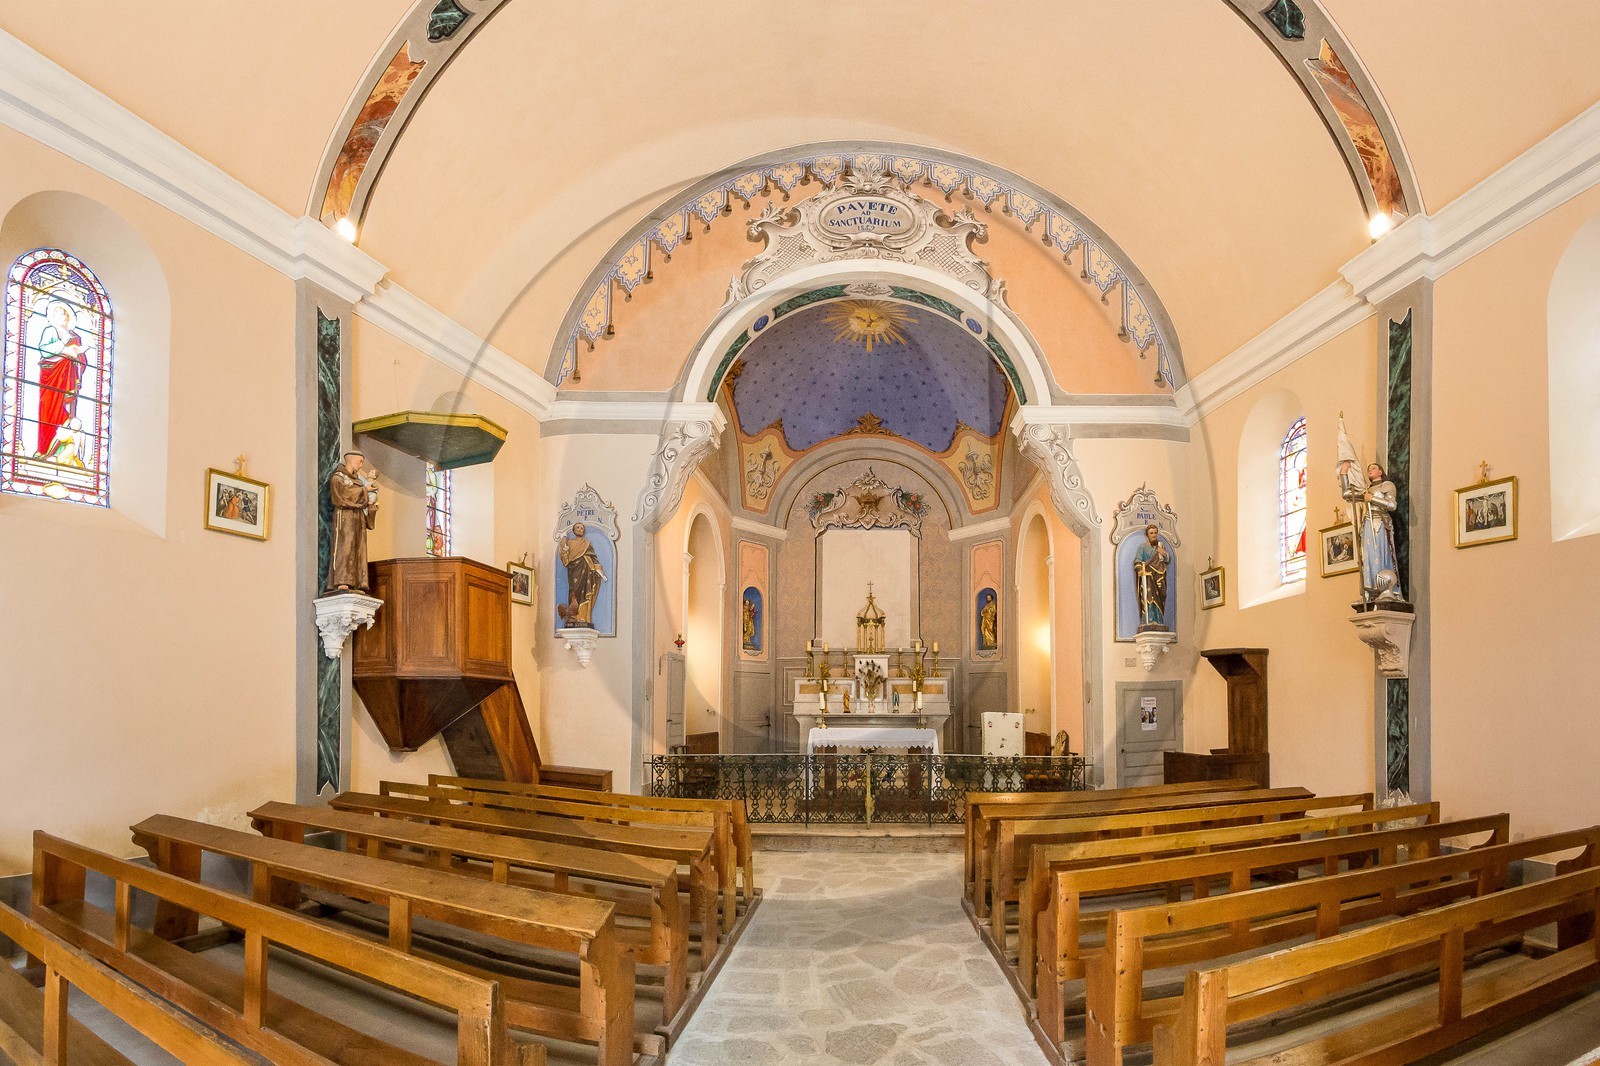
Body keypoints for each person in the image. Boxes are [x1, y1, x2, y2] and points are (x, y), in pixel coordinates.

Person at [34, 299, 89, 458]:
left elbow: (82, 360)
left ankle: (65, 452)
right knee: (49, 408)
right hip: (52, 375)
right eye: (58, 315)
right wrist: (65, 349)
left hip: (69, 377)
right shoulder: (50, 331)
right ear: (52, 317)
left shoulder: (74, 336)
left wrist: (78, 353)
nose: (62, 318)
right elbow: (44, 349)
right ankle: (44, 449)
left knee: (68, 409)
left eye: (64, 315)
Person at [326, 451, 379, 592]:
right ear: (349, 460)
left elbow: (363, 497)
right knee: (346, 547)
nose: (361, 465)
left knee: (358, 548)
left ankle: (357, 581)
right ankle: (342, 580)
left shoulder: (359, 480)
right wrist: (365, 491)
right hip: (345, 517)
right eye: (359, 461)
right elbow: (342, 495)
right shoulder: (338, 478)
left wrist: (371, 506)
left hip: (358, 518)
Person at [1358, 462, 1404, 601]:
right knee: (1367, 558)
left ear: (1380, 471)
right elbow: (1348, 494)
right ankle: (1368, 592)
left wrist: (1372, 499)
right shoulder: (1366, 490)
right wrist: (1343, 473)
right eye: (1368, 469)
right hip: (1367, 524)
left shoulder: (1387, 485)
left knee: (1380, 554)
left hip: (1380, 523)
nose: (1370, 471)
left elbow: (1392, 505)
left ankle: (1386, 590)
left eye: (1373, 468)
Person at [558, 521, 606, 627]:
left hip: (586, 571)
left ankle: (582, 616)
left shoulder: (587, 543)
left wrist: (598, 569)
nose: (580, 529)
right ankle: (572, 616)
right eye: (578, 527)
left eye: (582, 528)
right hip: (574, 570)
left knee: (585, 591)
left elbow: (594, 558)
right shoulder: (569, 542)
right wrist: (563, 543)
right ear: (574, 530)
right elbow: (565, 557)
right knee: (574, 591)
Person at [1133, 524, 1171, 629]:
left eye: (1155, 533)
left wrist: (1163, 553)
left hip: (1160, 576)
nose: (1154, 535)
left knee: (1161, 596)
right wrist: (1141, 571)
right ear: (1147, 535)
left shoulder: (1161, 546)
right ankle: (1149, 620)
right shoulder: (1143, 548)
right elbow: (1137, 561)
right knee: (1149, 597)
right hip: (1149, 577)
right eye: (1151, 533)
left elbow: (1167, 560)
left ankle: (1159, 620)